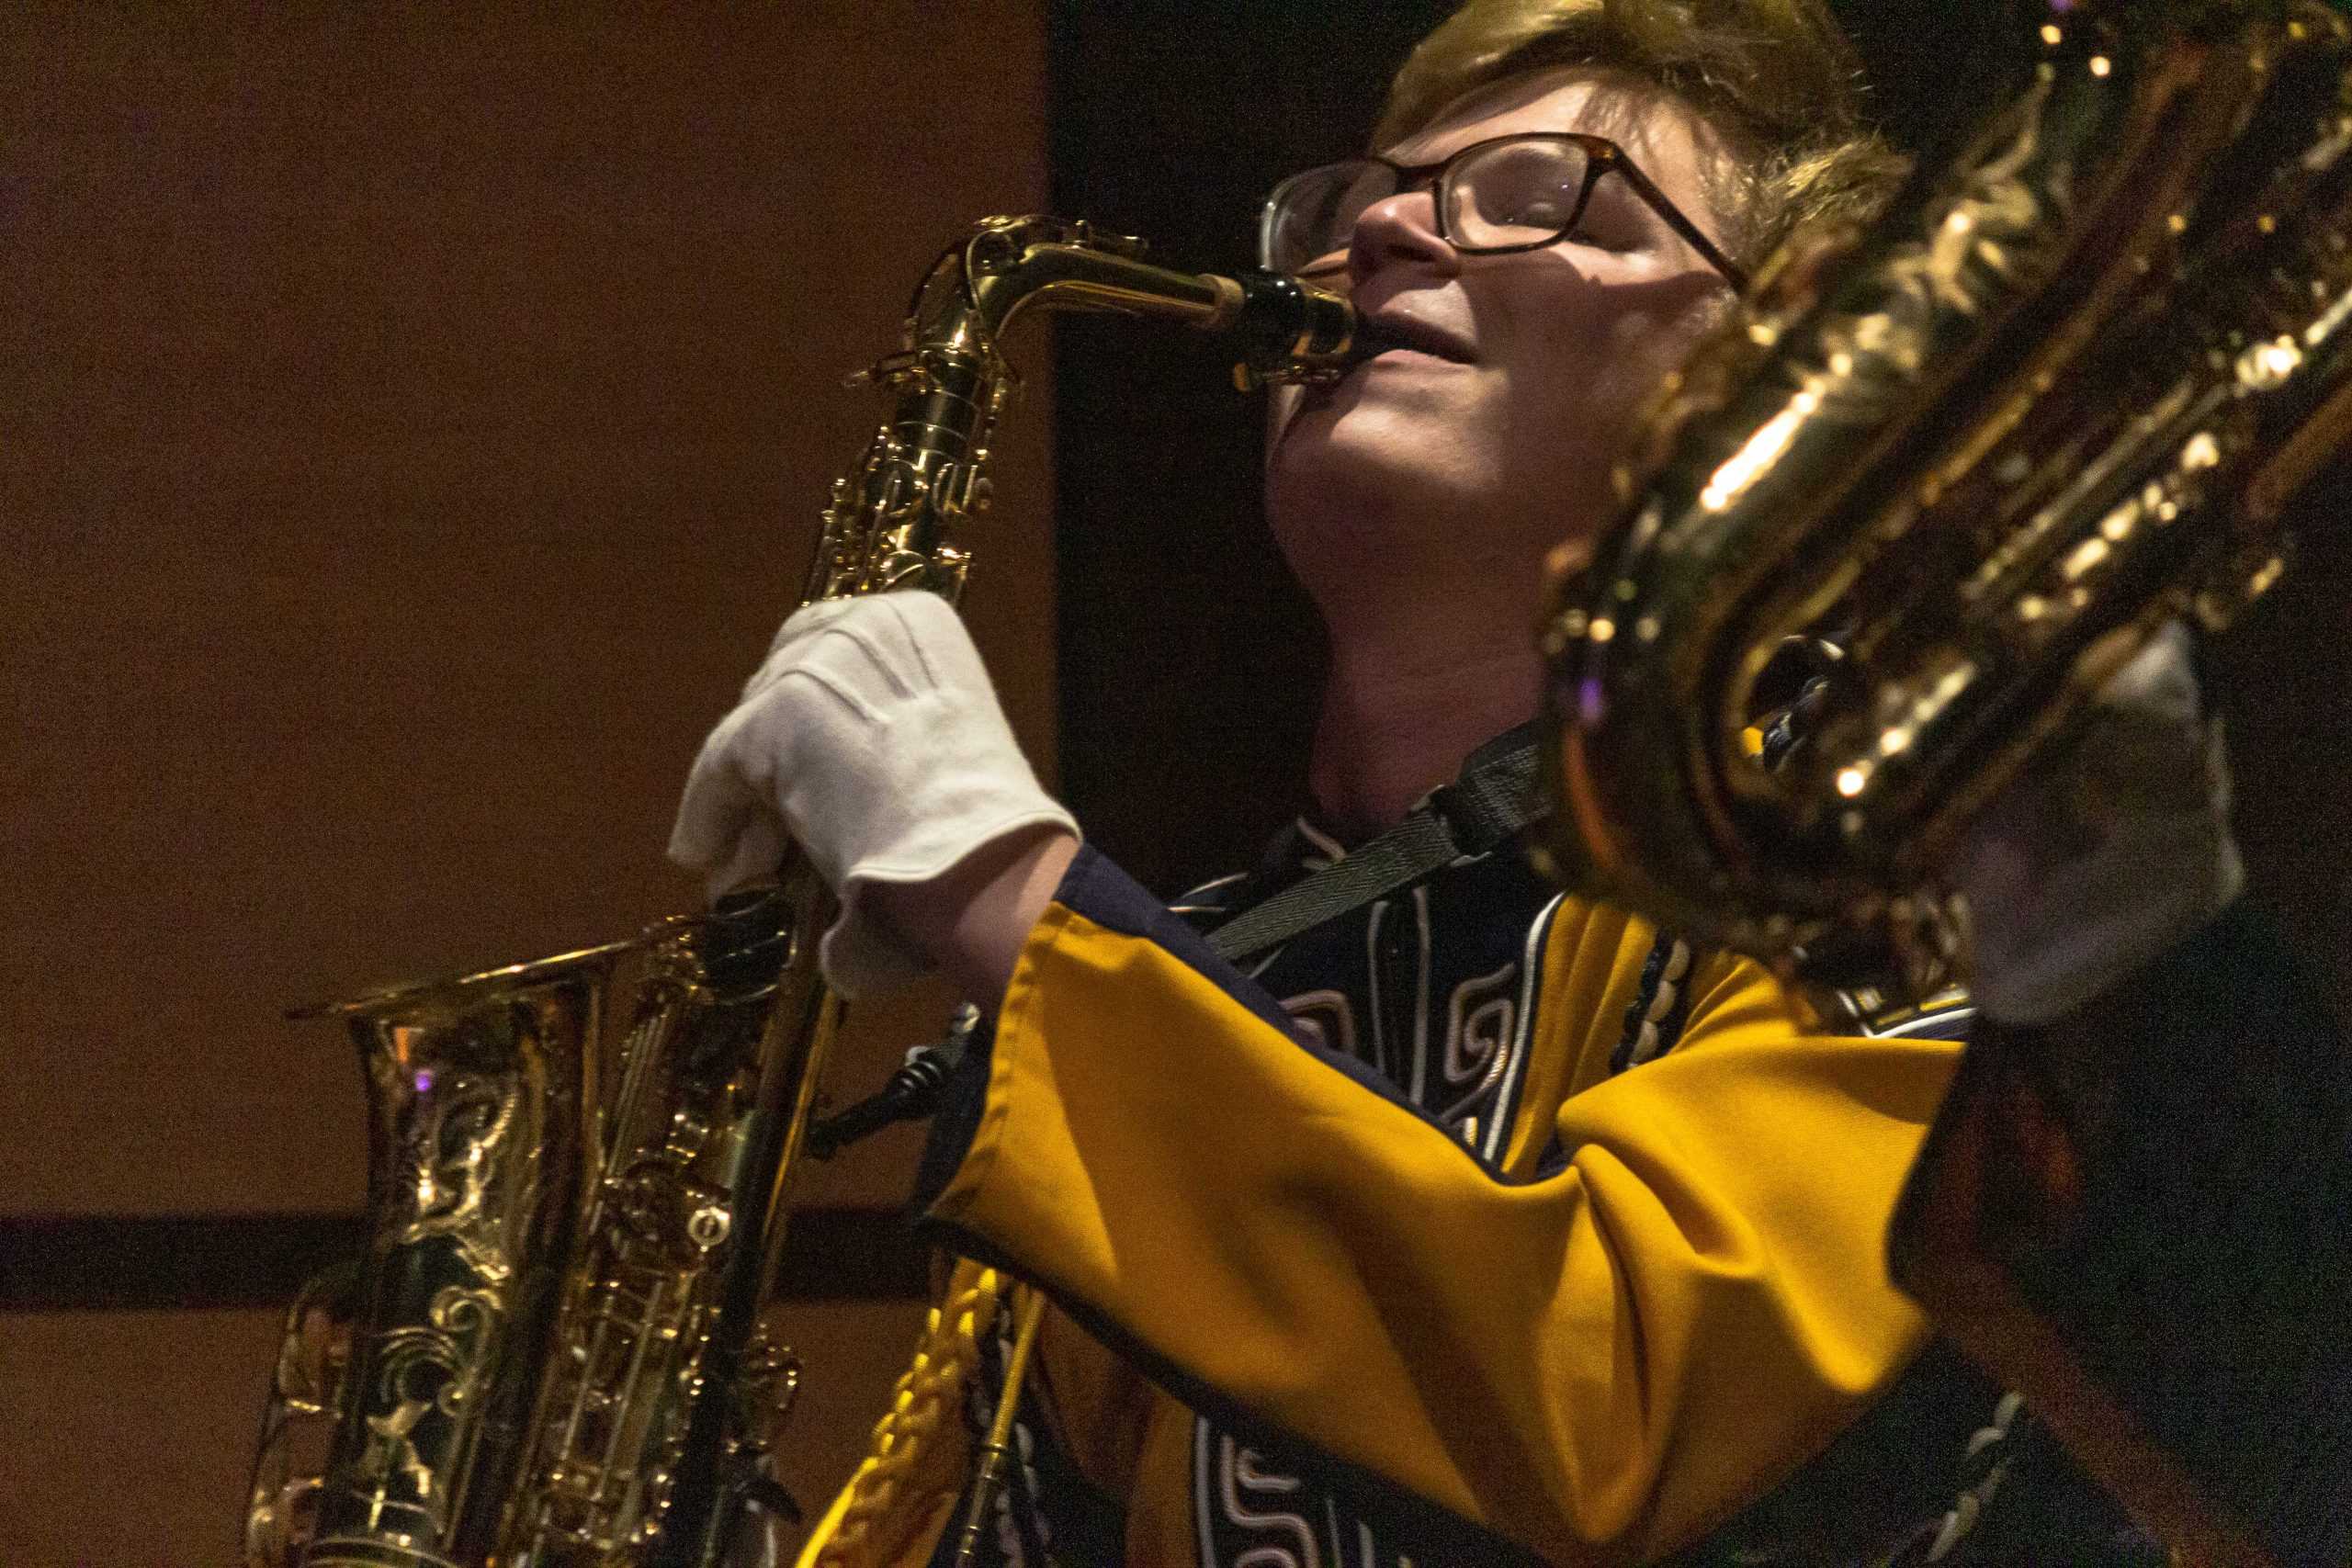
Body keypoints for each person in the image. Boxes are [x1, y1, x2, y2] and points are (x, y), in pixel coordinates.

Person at [669, 2, 2259, 1562]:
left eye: (1533, 195)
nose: (1379, 243)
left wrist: (994, 882)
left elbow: (1609, 1412)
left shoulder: (1918, 860)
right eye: (1358, 205)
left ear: (1791, 375)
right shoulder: (1174, 967)